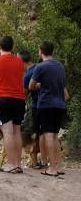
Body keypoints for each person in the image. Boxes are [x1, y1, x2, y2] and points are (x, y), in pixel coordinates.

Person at [29, 41, 71, 177]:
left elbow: (31, 86)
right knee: (54, 136)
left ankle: (52, 168)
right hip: (59, 104)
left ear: (41, 51)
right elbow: (62, 86)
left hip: (46, 104)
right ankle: (58, 166)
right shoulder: (60, 66)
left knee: (47, 135)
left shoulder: (40, 67)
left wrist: (40, 85)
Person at [0, 36, 26, 173]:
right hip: (20, 99)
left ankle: (10, 164)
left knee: (7, 131)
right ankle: (18, 164)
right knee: (17, 131)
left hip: (3, 97)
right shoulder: (20, 62)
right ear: (12, 47)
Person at [20, 50, 46, 168]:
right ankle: (43, 160)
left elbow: (24, 95)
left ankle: (34, 158)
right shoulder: (40, 67)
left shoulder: (27, 75)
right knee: (43, 133)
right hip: (47, 104)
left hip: (36, 106)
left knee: (27, 132)